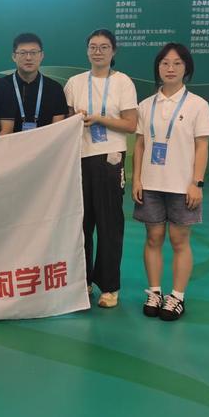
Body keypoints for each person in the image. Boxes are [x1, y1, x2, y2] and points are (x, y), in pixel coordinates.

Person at [132, 43, 209, 322]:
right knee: (153, 238)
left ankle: (177, 296)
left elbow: (202, 146)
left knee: (179, 241)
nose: (170, 68)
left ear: (186, 68)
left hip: (182, 186)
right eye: (165, 63)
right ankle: (154, 292)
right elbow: (140, 144)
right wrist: (137, 179)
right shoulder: (145, 105)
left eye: (177, 63)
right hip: (151, 184)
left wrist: (197, 183)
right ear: (157, 67)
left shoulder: (198, 105)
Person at [64, 29, 138, 308]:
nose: (98, 51)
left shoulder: (123, 82)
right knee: (81, 224)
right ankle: (82, 281)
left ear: (113, 51)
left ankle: (109, 287)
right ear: (87, 51)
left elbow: (131, 124)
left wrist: (100, 119)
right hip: (79, 158)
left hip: (110, 158)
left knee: (109, 224)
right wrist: (76, 117)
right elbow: (66, 121)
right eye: (93, 46)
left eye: (104, 47)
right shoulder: (74, 83)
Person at [3, 32, 68, 132]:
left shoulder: (55, 88)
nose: (28, 58)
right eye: (23, 53)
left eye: (33, 53)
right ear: (14, 56)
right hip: (9, 141)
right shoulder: (1, 86)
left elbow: (57, 130)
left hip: (47, 142)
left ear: (41, 55)